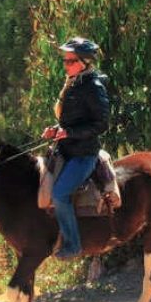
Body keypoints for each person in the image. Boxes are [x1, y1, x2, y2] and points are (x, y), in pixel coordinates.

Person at [42, 37, 109, 259]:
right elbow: (71, 120)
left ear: (84, 63)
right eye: (65, 60)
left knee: (60, 194)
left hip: (83, 154)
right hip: (66, 150)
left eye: (70, 60)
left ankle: (73, 245)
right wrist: (56, 129)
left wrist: (70, 133)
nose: (66, 64)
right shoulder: (73, 83)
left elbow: (101, 124)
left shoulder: (93, 88)